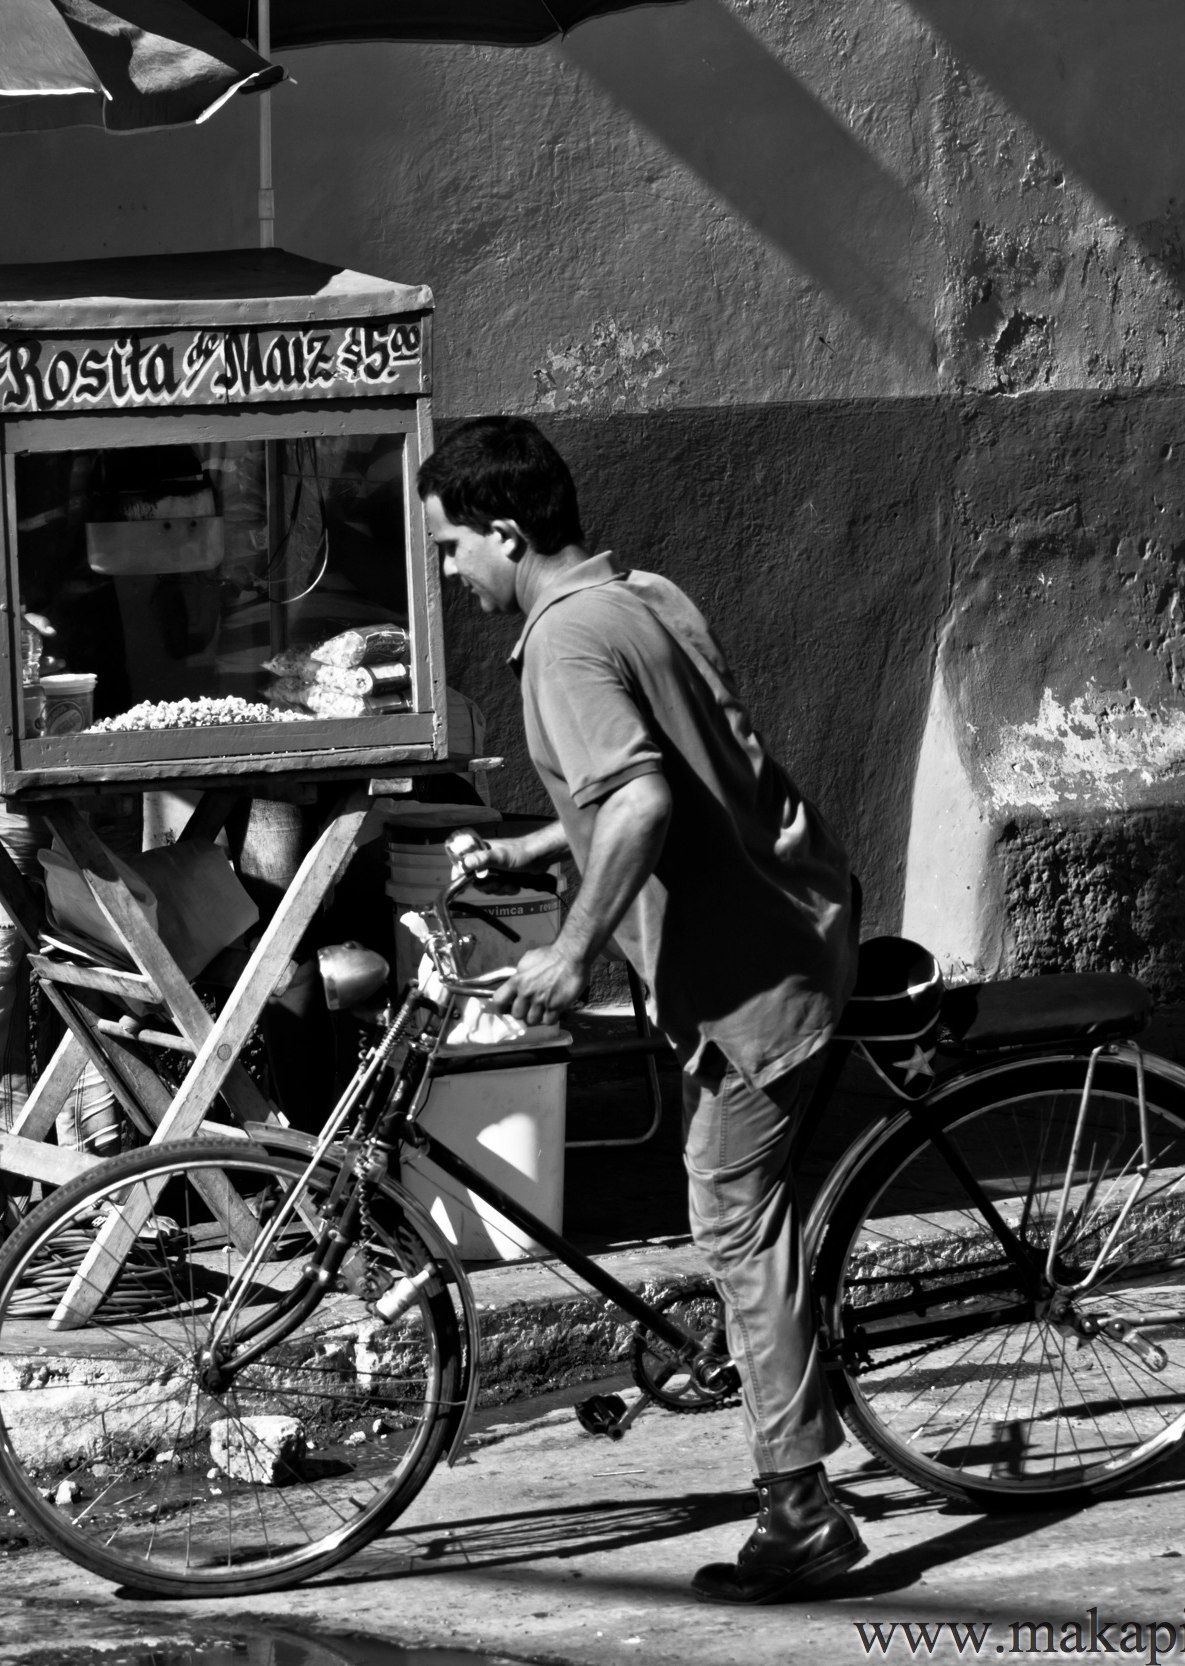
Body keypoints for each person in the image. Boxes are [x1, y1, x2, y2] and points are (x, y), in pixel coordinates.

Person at [417, 415, 862, 1604]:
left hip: (752, 975)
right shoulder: (638, 591)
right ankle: (792, 1404)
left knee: (730, 1221)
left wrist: (568, 953)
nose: (451, 578)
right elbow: (669, 773)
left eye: (453, 548)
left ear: (506, 534)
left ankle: (801, 1506)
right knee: (742, 1212)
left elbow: (643, 804)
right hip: (787, 924)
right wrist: (533, 844)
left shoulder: (562, 646)